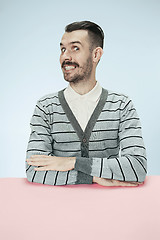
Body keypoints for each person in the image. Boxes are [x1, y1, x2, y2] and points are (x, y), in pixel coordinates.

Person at [25, 21, 147, 187]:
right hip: (56, 207)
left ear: (96, 55)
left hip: (111, 206)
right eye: (62, 49)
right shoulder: (46, 107)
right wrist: (93, 177)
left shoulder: (121, 105)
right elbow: (33, 170)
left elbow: (137, 168)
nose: (65, 57)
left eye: (75, 48)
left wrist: (73, 162)